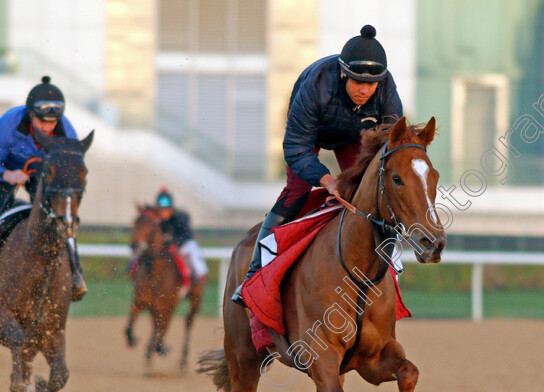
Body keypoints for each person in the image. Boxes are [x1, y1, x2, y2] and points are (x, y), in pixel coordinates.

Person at [231, 25, 403, 306]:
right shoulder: (317, 85)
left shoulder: (386, 89)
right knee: (296, 192)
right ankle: (253, 274)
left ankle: (386, 267)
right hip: (309, 134)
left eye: (371, 84)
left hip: (352, 134)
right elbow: (296, 148)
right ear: (343, 73)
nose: (364, 90)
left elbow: (391, 146)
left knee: (369, 190)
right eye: (358, 82)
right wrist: (327, 180)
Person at [0, 75, 88, 301]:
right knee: (0, 205)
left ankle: (75, 272)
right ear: (30, 115)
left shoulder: (67, 131)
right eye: (42, 121)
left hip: (43, 174)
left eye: (52, 122)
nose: (48, 127)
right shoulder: (8, 124)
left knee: (62, 215)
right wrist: (9, 175)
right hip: (7, 170)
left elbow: (69, 171)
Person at [155, 189, 208, 283]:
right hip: (167, 247)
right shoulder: (158, 221)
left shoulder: (180, 218)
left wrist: (175, 243)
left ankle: (200, 274)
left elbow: (187, 235)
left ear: (171, 208)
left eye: (166, 210)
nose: (163, 213)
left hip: (183, 245)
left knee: (192, 248)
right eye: (161, 210)